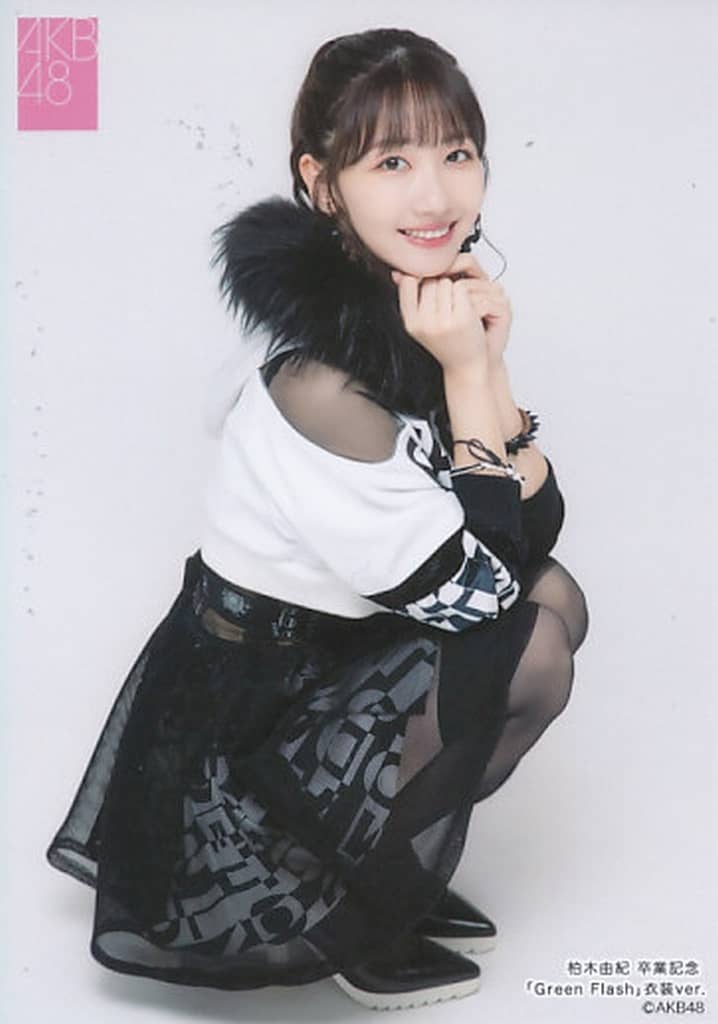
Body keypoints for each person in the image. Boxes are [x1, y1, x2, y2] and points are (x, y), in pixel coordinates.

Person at [45, 26, 589, 1012]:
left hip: (348, 630)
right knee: (531, 648)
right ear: (322, 182)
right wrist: (470, 376)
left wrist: (485, 370)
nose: (435, 196)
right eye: (392, 162)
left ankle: (376, 855)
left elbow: (533, 531)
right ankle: (343, 897)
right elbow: (478, 597)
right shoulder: (323, 383)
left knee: (558, 598)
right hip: (260, 699)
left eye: (456, 152)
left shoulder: (408, 306)